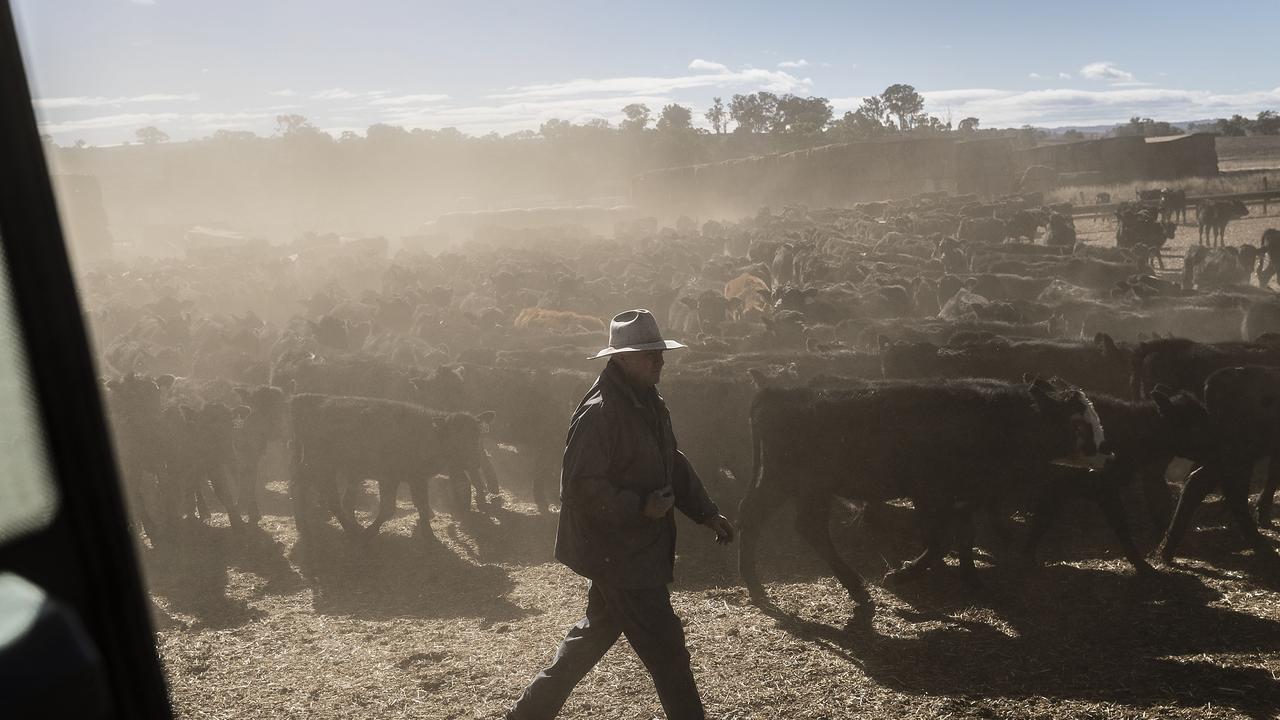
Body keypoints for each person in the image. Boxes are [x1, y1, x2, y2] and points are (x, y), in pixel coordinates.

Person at [506, 309, 735, 720]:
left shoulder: (647, 401)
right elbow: (580, 487)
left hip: (631, 550)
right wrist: (641, 507)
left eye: (659, 352)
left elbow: (671, 461)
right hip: (622, 552)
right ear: (623, 358)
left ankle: (527, 715)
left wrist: (705, 512)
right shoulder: (601, 412)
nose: (659, 361)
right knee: (667, 649)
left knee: (592, 637)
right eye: (649, 354)